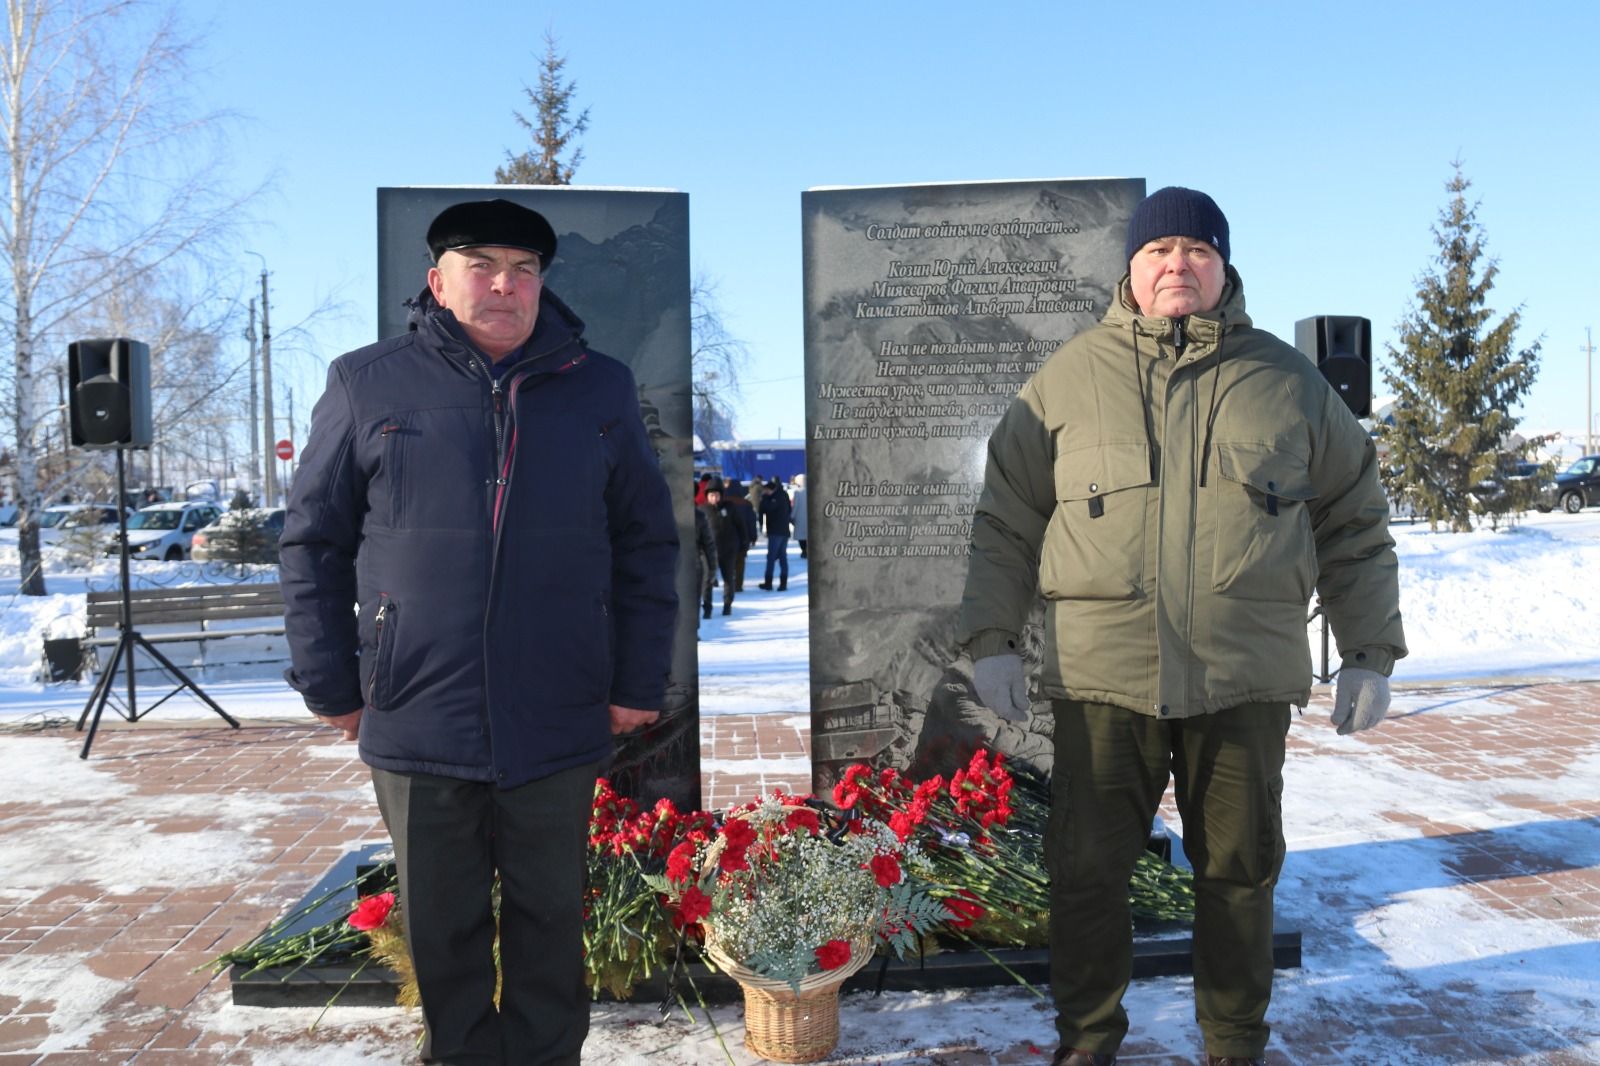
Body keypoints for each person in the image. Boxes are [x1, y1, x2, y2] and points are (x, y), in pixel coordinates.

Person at [955, 187, 1406, 1066]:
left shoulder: (1289, 384)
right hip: (1102, 683)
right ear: (1130, 266)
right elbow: (1006, 520)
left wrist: (1370, 653)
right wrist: (991, 640)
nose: (1177, 265)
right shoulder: (1065, 382)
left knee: (1239, 876)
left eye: (1197, 251)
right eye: (1159, 250)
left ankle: (1234, 1044)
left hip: (1240, 680)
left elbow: (1355, 524)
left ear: (1224, 267)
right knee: (1088, 877)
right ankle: (1089, 1040)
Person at [280, 197, 678, 1065]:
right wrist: (333, 684)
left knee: (550, 921)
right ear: (437, 280)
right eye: (483, 265)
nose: (506, 284)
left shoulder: (599, 385)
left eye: (525, 269)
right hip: (418, 710)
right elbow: (313, 541)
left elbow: (647, 541)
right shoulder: (366, 381)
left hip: (558, 707)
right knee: (442, 932)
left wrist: (634, 683)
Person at [698, 481, 740, 616]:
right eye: (711, 495)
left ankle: (727, 605)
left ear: (721, 495)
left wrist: (743, 543)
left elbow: (740, 525)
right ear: (707, 496)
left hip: (728, 549)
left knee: (728, 578)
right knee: (707, 580)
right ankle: (707, 608)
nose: (714, 498)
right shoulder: (702, 510)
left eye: (717, 495)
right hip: (708, 552)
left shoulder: (730, 507)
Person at [757, 476, 792, 590]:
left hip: (775, 532)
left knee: (771, 557)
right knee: (782, 557)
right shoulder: (784, 494)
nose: (765, 492)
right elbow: (789, 510)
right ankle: (783, 583)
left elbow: (767, 508)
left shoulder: (773, 497)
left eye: (766, 490)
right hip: (784, 531)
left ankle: (769, 582)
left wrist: (764, 499)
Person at [723, 479, 758, 591]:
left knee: (728, 562)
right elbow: (751, 521)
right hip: (743, 537)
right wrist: (753, 536)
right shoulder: (746, 504)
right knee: (740, 562)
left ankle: (728, 583)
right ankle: (738, 584)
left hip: (726, 537)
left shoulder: (723, 502)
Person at [789, 473, 808, 558]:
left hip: (800, 518)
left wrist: (792, 517)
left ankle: (804, 551)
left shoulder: (798, 493)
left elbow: (795, 506)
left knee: (802, 536)